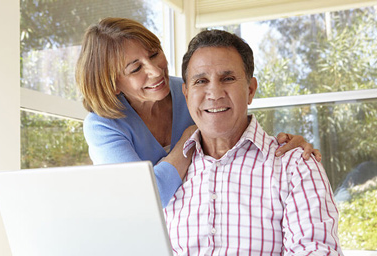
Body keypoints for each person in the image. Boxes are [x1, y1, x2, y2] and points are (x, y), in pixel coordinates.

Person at [164, 29, 347, 256]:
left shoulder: (295, 164)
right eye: (201, 81)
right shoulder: (168, 174)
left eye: (228, 78)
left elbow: (324, 254)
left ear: (250, 89)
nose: (214, 93)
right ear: (187, 93)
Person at [75, 17, 321, 208]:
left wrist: (286, 145)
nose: (156, 71)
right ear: (113, 82)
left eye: (154, 54)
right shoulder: (103, 125)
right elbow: (146, 198)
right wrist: (189, 138)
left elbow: (238, 135)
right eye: (136, 68)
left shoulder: (192, 88)